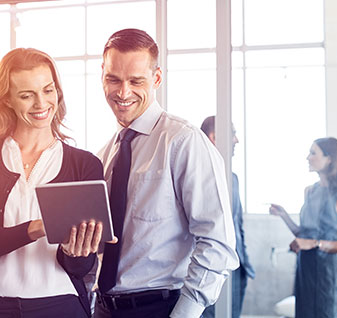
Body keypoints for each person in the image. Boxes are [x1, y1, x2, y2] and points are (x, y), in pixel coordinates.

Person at [94, 28, 239, 318]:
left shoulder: (183, 141)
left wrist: (184, 313)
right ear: (102, 75)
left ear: (156, 78)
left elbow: (217, 241)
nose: (123, 92)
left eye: (136, 81)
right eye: (114, 79)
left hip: (164, 308)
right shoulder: (105, 153)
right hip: (106, 309)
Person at [0, 48, 106, 318]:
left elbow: (82, 268)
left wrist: (75, 251)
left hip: (61, 306)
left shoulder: (85, 165)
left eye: (48, 90)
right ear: (8, 100)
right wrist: (37, 228)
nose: (41, 103)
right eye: (27, 95)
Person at [269, 137, 337, 318]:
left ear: (330, 159)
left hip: (326, 274)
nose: (308, 157)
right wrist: (284, 216)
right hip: (304, 269)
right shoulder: (310, 191)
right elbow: (304, 235)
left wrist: (315, 243)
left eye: (313, 153)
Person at [200, 116, 255, 318]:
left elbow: (237, 225)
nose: (237, 140)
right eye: (233, 134)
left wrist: (244, 265)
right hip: (210, 270)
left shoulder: (233, 178)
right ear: (214, 137)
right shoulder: (198, 175)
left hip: (236, 272)